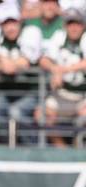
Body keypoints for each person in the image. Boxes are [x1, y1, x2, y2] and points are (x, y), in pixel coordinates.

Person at [0, 3, 42, 142]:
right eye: (6, 23)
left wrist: (1, 59)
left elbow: (22, 62)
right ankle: (6, 145)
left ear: (20, 21)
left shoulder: (31, 32)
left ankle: (31, 147)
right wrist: (2, 62)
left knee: (16, 112)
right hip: (8, 91)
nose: (10, 28)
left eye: (13, 22)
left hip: (32, 91)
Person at [36, 7, 86, 146]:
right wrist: (54, 69)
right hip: (61, 94)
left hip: (83, 96)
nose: (74, 28)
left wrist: (63, 70)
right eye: (70, 23)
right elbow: (43, 59)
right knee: (41, 115)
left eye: (77, 23)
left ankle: (79, 151)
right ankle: (62, 150)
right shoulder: (59, 37)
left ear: (83, 25)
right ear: (65, 25)